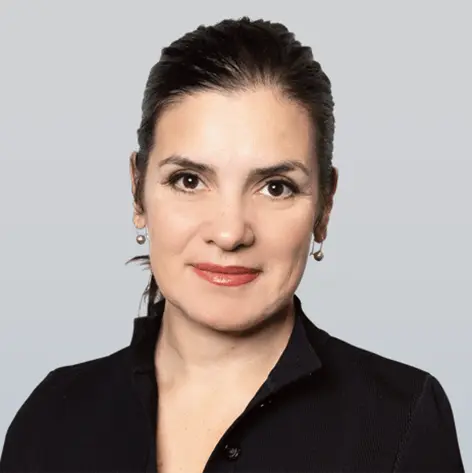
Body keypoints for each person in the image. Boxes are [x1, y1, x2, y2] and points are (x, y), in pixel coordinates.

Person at [0, 16, 464, 473]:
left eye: (276, 187)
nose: (229, 233)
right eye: (189, 180)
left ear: (324, 207)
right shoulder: (53, 417)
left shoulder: (401, 420)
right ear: (138, 191)